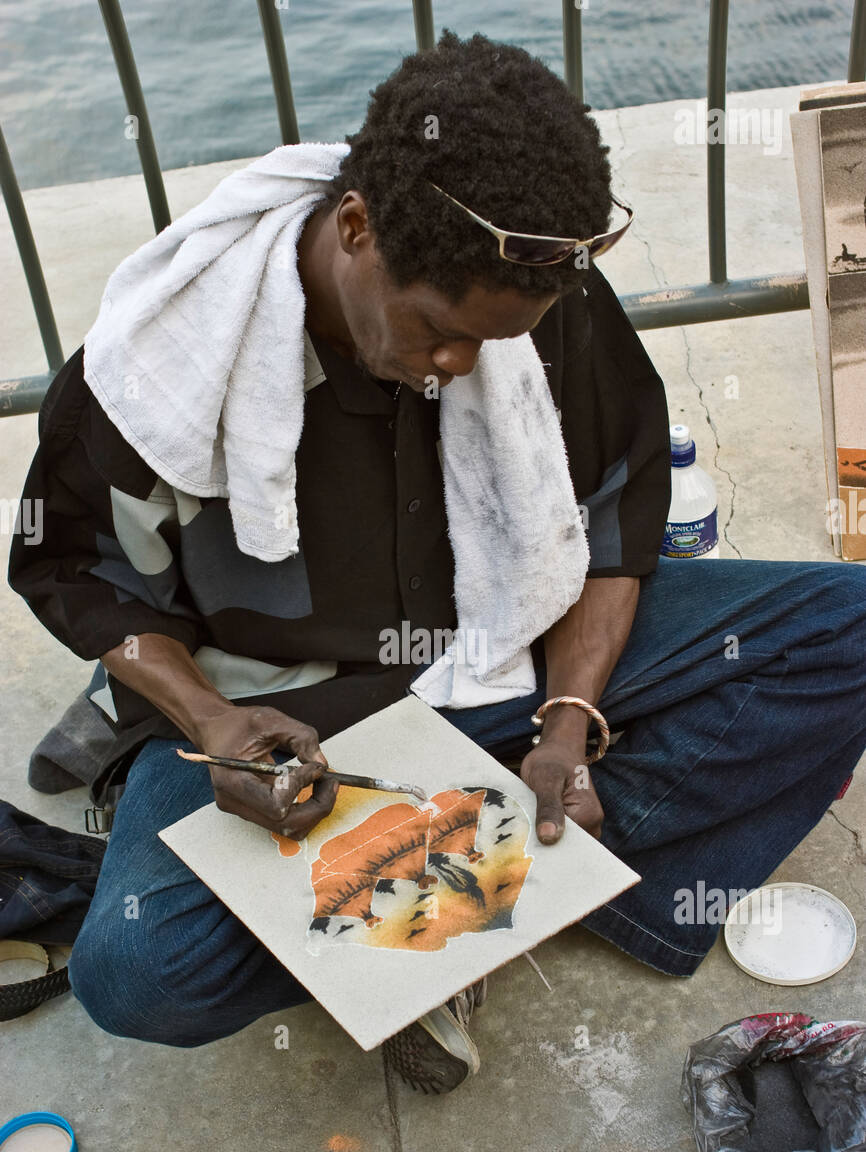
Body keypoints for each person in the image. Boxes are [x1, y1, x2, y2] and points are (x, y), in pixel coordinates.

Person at [8, 32, 866, 1095]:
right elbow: (77, 574)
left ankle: (462, 889)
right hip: (289, 724)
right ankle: (481, 893)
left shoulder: (536, 292)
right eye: (438, 332)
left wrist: (567, 725)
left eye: (489, 342)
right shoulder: (159, 363)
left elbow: (609, 513)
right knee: (135, 973)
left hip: (502, 654)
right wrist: (208, 723)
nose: (459, 365)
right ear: (355, 229)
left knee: (848, 628)